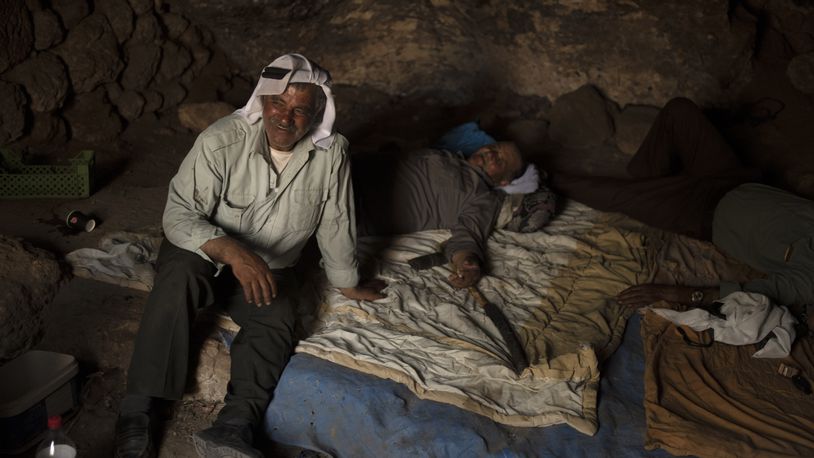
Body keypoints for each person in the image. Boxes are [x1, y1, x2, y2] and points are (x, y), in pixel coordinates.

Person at [113, 54, 384, 458]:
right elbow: (179, 214)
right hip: (204, 252)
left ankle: (235, 425)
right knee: (178, 279)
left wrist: (347, 280)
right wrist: (231, 249)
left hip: (271, 266)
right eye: (278, 103)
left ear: (315, 116)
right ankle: (138, 410)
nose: (285, 117)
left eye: (300, 111)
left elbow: (336, 219)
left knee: (278, 314)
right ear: (263, 101)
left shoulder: (332, 154)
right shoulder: (221, 141)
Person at [550, 97, 814, 312]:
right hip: (735, 179)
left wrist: (670, 292)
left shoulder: (808, 282)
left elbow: (750, 295)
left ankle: (535, 177)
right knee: (680, 111)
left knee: (615, 196)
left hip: (703, 211)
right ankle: (649, 185)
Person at [352, 141, 556, 288]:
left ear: (504, 182)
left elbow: (468, 236)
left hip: (356, 205)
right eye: (494, 148)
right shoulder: (451, 156)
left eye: (500, 161)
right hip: (349, 169)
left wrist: (467, 264)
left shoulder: (483, 196)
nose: (492, 154)